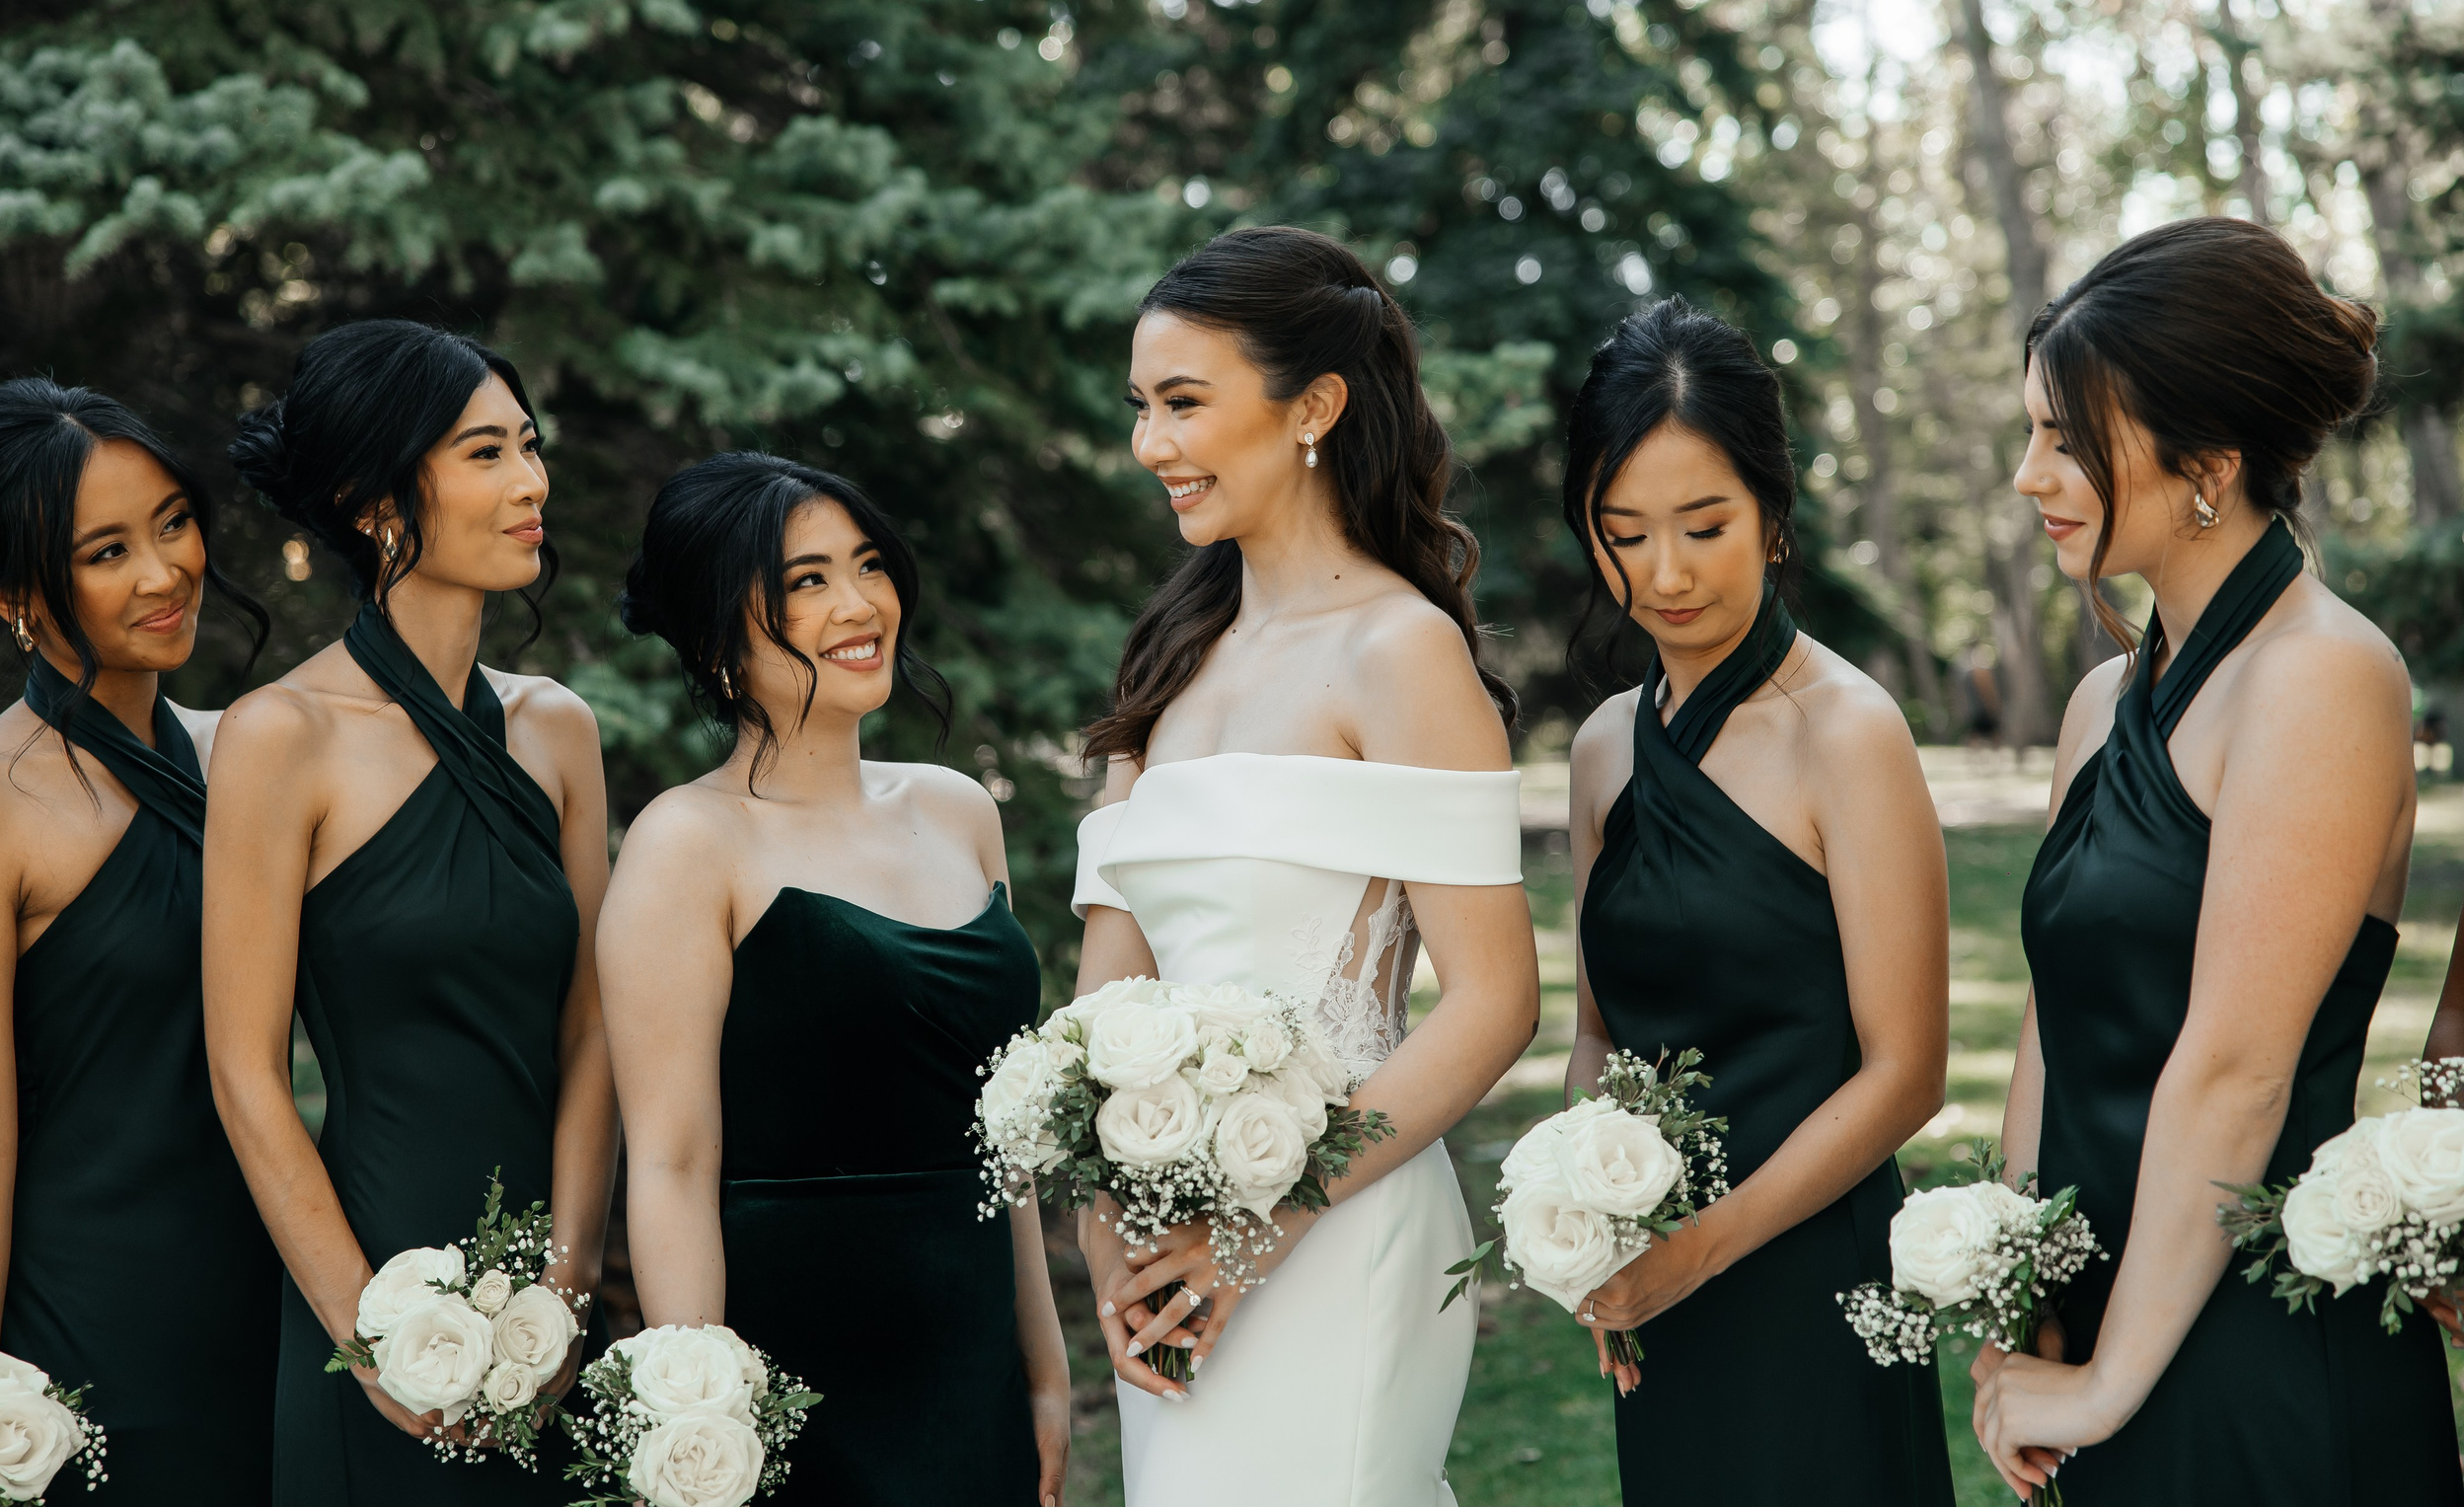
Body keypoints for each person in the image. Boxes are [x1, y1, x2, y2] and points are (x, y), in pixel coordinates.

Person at [1974, 215, 2459, 1503]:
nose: (2029, 474)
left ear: (2208, 458)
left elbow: (2237, 1066)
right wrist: (2017, 1295)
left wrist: (2107, 1381)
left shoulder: (2325, 678)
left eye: (2067, 437)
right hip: (2104, 1331)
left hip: (2263, 1355)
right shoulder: (2096, 704)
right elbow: (2048, 1016)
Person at [1071, 226, 1538, 1507]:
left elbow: (1496, 999)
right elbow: (1099, 1009)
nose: (1149, 442)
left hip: (1337, 1229)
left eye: (1182, 402)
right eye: (1139, 407)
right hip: (1163, 1248)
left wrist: (1272, 1218)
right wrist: (1107, 1236)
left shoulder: (1401, 653)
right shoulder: (1167, 662)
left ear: (1314, 406)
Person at [602, 452, 1070, 1506]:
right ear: (721, 634)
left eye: (866, 565)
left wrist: (1044, 1372)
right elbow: (670, 1164)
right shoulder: (688, 843)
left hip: (973, 1354)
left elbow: (1013, 1146)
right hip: (797, 1372)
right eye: (806, 581)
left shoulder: (957, 809)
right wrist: (703, 1426)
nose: (859, 604)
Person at [202, 322, 617, 1504]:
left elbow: (591, 1033)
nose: (533, 481)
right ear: (375, 499)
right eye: (484, 454)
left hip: (548, 1301)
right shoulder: (282, 737)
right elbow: (245, 1069)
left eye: (529, 447)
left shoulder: (558, 730)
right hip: (372, 1278)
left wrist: (568, 1288)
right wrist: (366, 1329)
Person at [1557, 299, 1954, 1503]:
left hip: (1813, 1285)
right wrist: (1586, 1219)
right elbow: (1594, 1034)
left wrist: (1694, 1254)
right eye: (1621, 532)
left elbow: (1907, 1072)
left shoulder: (1848, 732)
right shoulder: (1599, 752)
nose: (1662, 574)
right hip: (1654, 1299)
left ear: (1774, 521)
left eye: (1703, 526)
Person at [0, 380, 278, 1503]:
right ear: (12, 597)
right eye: (106, 551)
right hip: (81, 1344)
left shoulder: (244, 757)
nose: (164, 572)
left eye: (173, 523)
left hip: (274, 1320)